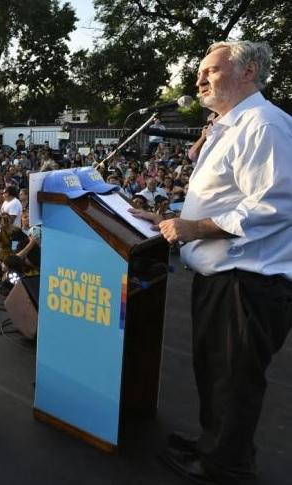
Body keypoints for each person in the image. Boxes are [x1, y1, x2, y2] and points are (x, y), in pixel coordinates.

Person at [130, 40, 292, 484]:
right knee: (216, 371)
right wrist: (168, 219)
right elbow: (224, 199)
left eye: (211, 70)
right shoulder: (230, 125)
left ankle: (226, 466)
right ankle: (212, 443)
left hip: (249, 281)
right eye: (200, 71)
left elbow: (274, 205)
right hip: (223, 275)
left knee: (234, 379)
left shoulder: (264, 125)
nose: (200, 78)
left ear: (249, 71)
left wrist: (194, 229)